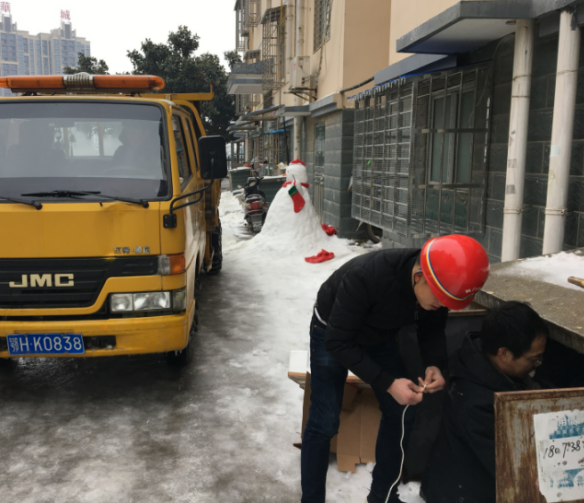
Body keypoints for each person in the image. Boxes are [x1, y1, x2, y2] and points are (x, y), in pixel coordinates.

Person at [300, 235, 490, 503]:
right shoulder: (367, 276)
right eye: (440, 299)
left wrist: (435, 364)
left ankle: (383, 496)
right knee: (324, 421)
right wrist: (388, 382)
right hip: (332, 331)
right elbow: (338, 342)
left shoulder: (436, 282)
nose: (442, 306)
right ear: (419, 277)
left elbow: (431, 327)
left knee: (402, 410)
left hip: (379, 335)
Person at [422, 301, 548, 503]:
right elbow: (511, 471)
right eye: (534, 359)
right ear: (504, 353)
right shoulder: (476, 404)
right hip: (461, 494)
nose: (536, 365)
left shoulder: (476, 357)